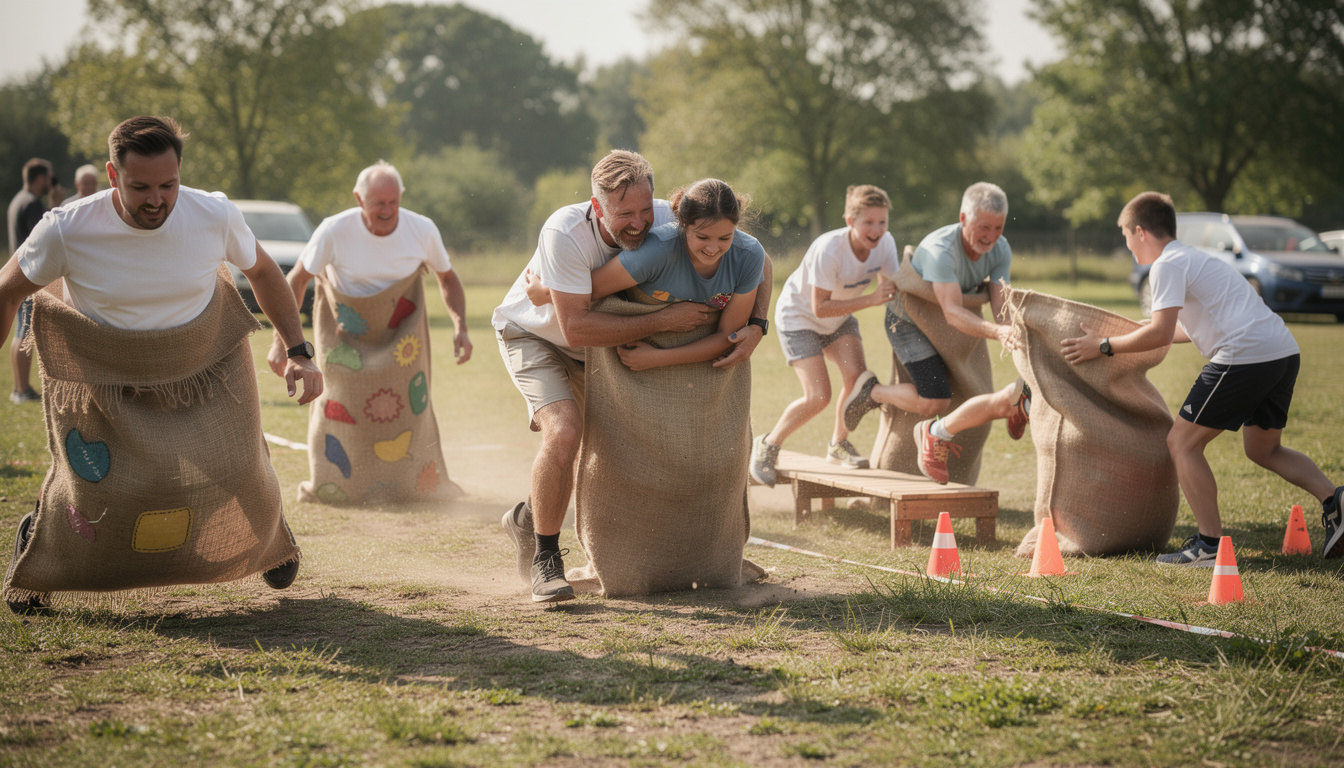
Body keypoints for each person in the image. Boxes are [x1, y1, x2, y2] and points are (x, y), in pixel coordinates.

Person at [0, 116, 321, 610]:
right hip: (107, 377)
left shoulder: (212, 213)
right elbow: (6, 292)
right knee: (103, 490)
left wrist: (298, 350)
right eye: (140, 187)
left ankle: (270, 536)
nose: (157, 199)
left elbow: (261, 270)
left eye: (168, 185)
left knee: (238, 466)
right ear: (112, 176)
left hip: (203, 365)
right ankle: (39, 548)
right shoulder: (67, 228)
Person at [491, 150, 773, 603]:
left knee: (626, 450)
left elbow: (751, 255)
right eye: (625, 213)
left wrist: (758, 323)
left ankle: (527, 519)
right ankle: (546, 558)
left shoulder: (673, 218)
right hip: (539, 336)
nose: (640, 222)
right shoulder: (564, 232)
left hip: (599, 352)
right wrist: (666, 321)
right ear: (596, 205)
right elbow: (575, 326)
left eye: (646, 208)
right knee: (565, 432)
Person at [1062, 191, 1344, 563]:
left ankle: (1208, 547)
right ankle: (1336, 500)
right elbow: (1181, 329)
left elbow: (1160, 333)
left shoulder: (1166, 265)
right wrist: (1118, 338)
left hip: (1245, 354)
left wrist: (1104, 345)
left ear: (1141, 231)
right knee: (1263, 449)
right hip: (1281, 351)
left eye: (1126, 235)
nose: (1127, 245)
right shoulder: (1192, 256)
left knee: (1182, 442)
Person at [278, 161, 471, 504]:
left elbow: (447, 277)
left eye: (394, 202)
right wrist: (284, 342)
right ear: (358, 199)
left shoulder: (421, 229)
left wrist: (461, 327)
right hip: (343, 336)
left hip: (404, 338)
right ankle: (336, 487)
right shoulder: (333, 230)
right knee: (339, 408)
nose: (388, 211)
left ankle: (413, 488)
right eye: (379, 203)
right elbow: (298, 279)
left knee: (408, 411)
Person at [842, 182, 1029, 484]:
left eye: (998, 227)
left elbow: (1000, 304)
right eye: (984, 227)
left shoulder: (1001, 248)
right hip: (909, 320)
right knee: (936, 401)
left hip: (947, 322)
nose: (991, 237)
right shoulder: (940, 250)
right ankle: (871, 392)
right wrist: (998, 332)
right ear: (964, 219)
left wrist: (1015, 334)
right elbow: (953, 312)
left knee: (969, 396)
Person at [750, 185, 899, 486]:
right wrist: (871, 299)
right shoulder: (830, 249)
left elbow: (894, 292)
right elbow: (820, 308)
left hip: (840, 318)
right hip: (800, 318)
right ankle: (768, 445)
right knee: (819, 397)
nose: (876, 230)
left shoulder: (885, 245)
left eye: (882, 222)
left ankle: (837, 444)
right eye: (868, 222)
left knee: (857, 381)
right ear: (850, 221)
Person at [6, 158, 64, 404]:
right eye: (49, 178)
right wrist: (55, 207)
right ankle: (22, 390)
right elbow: (41, 237)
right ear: (40, 178)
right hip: (30, 275)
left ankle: (20, 388)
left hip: (18, 273)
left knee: (21, 330)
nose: (51, 183)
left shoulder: (17, 200)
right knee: (25, 331)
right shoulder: (31, 203)